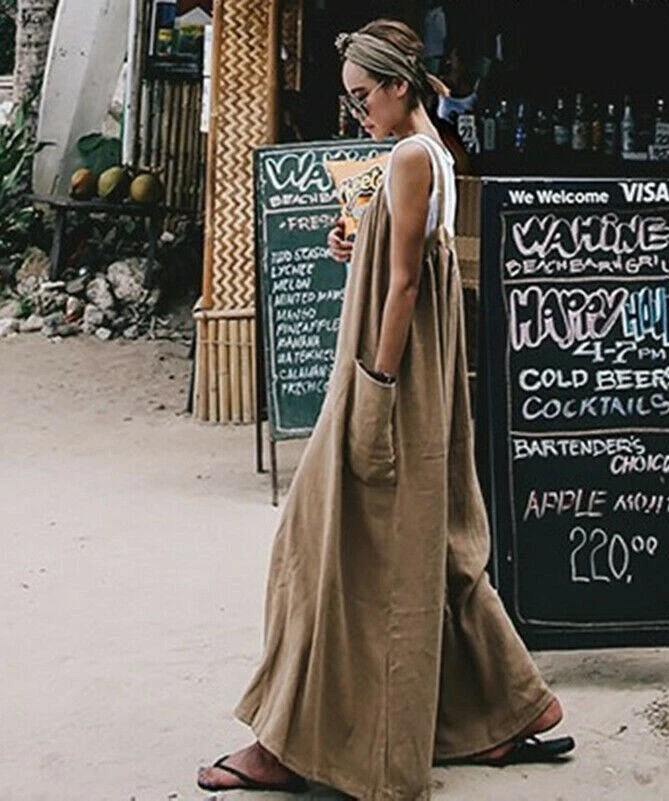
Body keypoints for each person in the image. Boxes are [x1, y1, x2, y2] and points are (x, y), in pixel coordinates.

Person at [197, 18, 573, 800]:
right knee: (424, 546)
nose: (356, 111)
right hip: (419, 380)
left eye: (364, 95)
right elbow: (410, 256)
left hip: (387, 376)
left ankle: (287, 743)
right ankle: (505, 707)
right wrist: (357, 241)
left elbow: (402, 284)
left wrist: (375, 384)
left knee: (319, 548)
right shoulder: (431, 151)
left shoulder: (407, 156)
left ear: (399, 86)